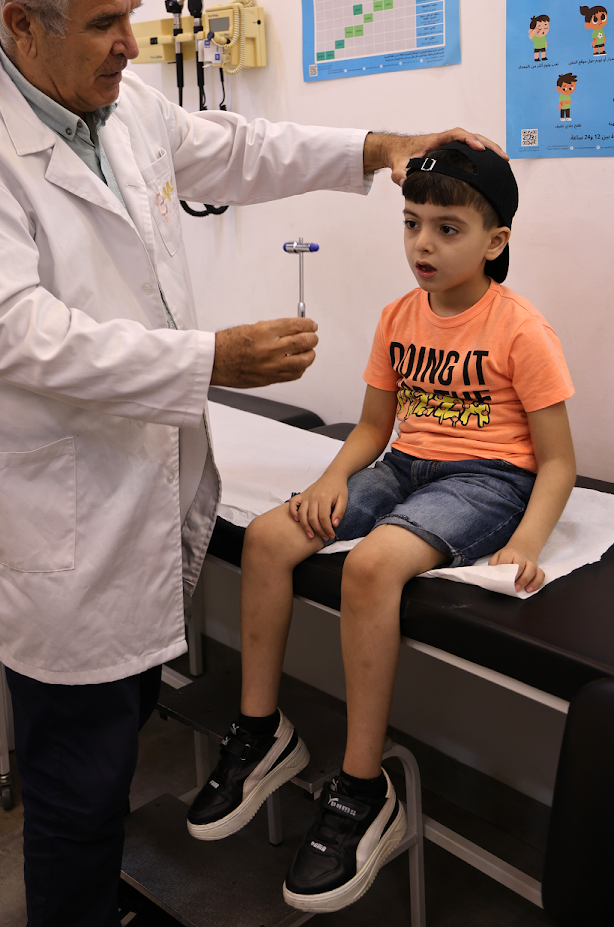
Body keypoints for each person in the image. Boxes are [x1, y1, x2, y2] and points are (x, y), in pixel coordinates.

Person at [0, 0, 505, 927]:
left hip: (139, 491)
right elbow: (12, 336)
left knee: (114, 742)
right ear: (22, 25)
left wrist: (377, 148)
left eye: (133, 16)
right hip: (59, 525)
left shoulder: (117, 106)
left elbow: (239, 149)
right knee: (76, 785)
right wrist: (210, 360)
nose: (131, 45)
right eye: (105, 23)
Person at [187, 143, 575, 914]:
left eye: (447, 229)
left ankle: (362, 787)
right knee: (269, 536)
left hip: (487, 479)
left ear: (494, 241)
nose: (423, 244)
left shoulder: (520, 330)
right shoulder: (399, 317)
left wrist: (526, 542)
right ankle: (261, 732)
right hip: (403, 464)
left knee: (371, 567)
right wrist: (332, 479)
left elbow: (558, 461)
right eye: (411, 223)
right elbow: (373, 428)